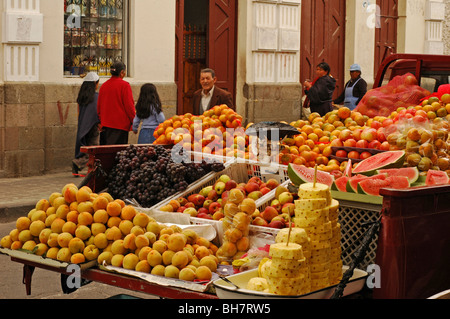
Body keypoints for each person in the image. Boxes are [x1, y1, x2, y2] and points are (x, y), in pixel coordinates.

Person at [97, 61, 136, 145]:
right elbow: (129, 106)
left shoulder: (103, 86)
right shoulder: (125, 85)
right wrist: (134, 121)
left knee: (106, 154)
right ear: (122, 73)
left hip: (105, 125)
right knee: (117, 154)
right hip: (120, 126)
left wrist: (100, 121)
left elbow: (99, 106)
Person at [72, 72, 101, 176]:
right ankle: (79, 164)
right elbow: (97, 111)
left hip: (83, 124)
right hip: (93, 126)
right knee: (94, 148)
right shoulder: (96, 97)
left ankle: (81, 165)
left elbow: (79, 112)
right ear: (94, 83)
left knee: (85, 147)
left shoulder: (82, 97)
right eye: (98, 83)